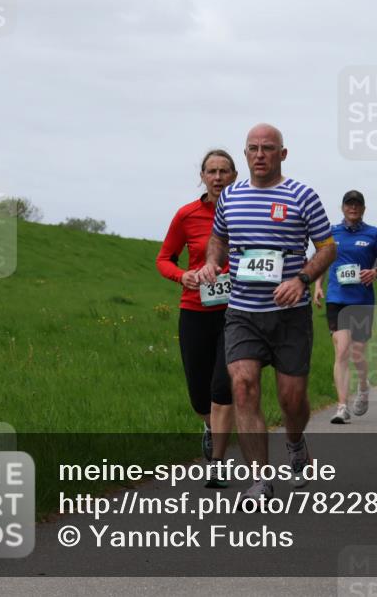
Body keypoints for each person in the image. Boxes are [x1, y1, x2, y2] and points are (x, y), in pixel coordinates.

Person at [198, 123, 336, 500]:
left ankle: (294, 441)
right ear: (245, 154)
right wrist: (212, 263)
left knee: (292, 400)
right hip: (242, 312)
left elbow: (327, 248)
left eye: (268, 148)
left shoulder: (303, 196)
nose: (260, 154)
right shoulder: (231, 197)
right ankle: (259, 478)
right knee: (242, 388)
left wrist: (302, 279)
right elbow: (218, 240)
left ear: (282, 154)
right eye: (253, 148)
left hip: (290, 315)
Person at [157, 149, 238, 488]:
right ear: (203, 177)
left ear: (234, 176)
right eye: (211, 171)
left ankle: (217, 463)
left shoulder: (244, 211)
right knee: (199, 395)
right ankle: (208, 425)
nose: (218, 177)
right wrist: (182, 276)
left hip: (236, 313)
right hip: (194, 311)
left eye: (224, 171)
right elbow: (164, 259)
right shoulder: (187, 215)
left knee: (223, 387)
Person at [313, 191, 377, 422]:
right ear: (343, 207)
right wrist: (318, 285)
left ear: (364, 209)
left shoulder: (373, 234)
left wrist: (376, 271)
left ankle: (364, 388)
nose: (353, 208)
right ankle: (341, 406)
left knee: (357, 353)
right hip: (337, 298)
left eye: (357, 204)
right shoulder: (331, 232)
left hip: (361, 301)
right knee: (342, 351)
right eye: (349, 204)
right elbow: (321, 261)